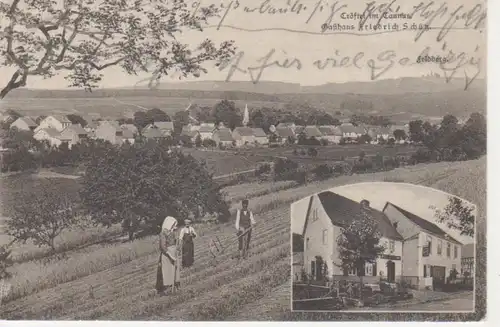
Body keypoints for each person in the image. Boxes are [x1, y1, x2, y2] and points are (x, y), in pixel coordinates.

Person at [156, 216, 181, 295]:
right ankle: (168, 288)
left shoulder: (172, 232)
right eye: (173, 225)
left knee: (175, 270)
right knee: (168, 271)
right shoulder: (163, 233)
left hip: (173, 252)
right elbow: (163, 247)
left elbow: (176, 242)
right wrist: (171, 256)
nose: (175, 227)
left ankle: (176, 285)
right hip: (167, 255)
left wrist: (177, 247)